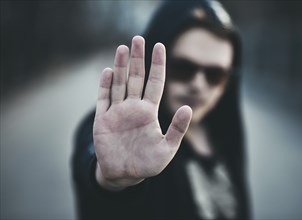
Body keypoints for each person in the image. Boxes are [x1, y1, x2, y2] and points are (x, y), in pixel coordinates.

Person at [72, 0, 251, 219]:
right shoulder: (118, 129)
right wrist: (113, 181)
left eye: (215, 75)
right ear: (153, 63)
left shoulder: (224, 134)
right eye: (183, 68)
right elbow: (94, 163)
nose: (198, 85)